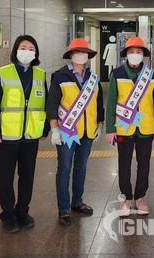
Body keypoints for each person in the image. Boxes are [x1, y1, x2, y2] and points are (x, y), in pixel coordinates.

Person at [0, 35, 49, 234]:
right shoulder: (3, 73)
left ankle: (23, 211)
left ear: (36, 53)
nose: (28, 51)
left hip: (31, 136)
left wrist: (45, 128)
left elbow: (46, 104)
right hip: (7, 136)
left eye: (32, 48)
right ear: (15, 50)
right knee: (5, 177)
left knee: (27, 176)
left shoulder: (40, 74)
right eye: (24, 47)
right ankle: (8, 214)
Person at [46, 38, 104, 227]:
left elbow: (99, 103)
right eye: (78, 52)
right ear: (71, 55)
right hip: (67, 132)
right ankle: (64, 208)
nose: (81, 55)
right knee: (64, 170)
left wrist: (100, 124)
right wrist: (54, 130)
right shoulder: (59, 76)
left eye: (85, 52)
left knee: (81, 168)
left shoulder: (92, 77)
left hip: (87, 131)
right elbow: (52, 105)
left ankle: (77, 201)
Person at [106, 36, 154, 216]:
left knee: (144, 164)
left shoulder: (151, 74)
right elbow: (111, 102)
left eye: (138, 52)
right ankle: (126, 198)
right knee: (124, 163)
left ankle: (140, 197)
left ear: (143, 54)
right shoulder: (117, 73)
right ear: (125, 54)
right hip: (124, 127)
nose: (135, 55)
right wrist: (110, 128)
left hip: (146, 127)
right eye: (131, 52)